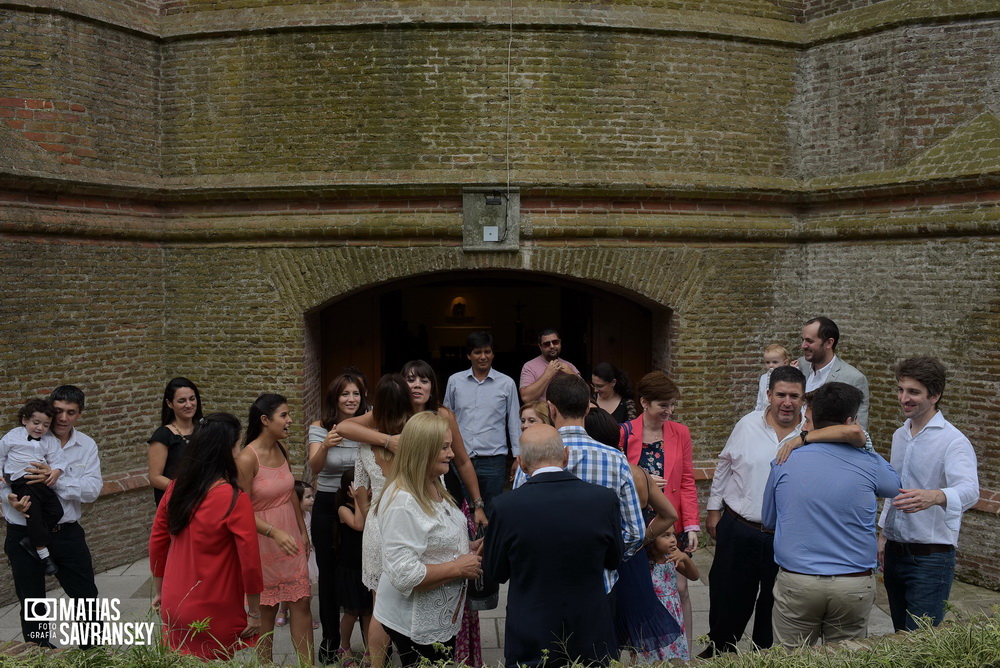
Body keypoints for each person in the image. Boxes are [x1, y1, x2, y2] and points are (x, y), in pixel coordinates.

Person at [762, 383, 900, 648]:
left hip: (798, 581)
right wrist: (864, 444)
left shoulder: (784, 459)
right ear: (849, 422)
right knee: (845, 659)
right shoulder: (868, 461)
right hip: (852, 584)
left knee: (790, 661)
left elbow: (769, 520)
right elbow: (894, 486)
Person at [485, 424, 623, 667]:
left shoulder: (505, 507)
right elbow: (613, 560)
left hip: (531, 627)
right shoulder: (603, 499)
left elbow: (496, 571)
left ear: (522, 463)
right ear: (566, 455)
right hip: (590, 626)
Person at [701, 365, 806, 657]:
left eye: (794, 396)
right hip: (740, 528)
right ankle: (720, 650)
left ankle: (765, 656)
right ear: (769, 394)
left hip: (784, 535)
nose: (787, 402)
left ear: (803, 398)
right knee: (727, 596)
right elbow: (724, 465)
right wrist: (713, 509)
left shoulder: (812, 433)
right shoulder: (747, 424)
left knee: (775, 604)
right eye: (781, 394)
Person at [514, 374, 644, 593]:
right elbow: (634, 532)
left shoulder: (532, 454)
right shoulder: (615, 458)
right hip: (598, 584)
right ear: (587, 409)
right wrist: (606, 558)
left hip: (543, 582)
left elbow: (516, 519)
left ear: (551, 409)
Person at [149, 412, 263, 659]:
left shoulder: (175, 488)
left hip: (174, 601)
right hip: (214, 607)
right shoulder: (234, 498)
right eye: (238, 444)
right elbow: (250, 561)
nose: (239, 450)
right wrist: (254, 611)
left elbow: (157, 541)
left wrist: (159, 590)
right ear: (226, 448)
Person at [373, 411, 483, 667]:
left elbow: (433, 539)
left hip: (438, 617)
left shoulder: (433, 482)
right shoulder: (402, 501)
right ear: (423, 450)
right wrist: (458, 567)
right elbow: (404, 574)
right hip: (414, 623)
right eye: (444, 447)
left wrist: (468, 548)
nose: (452, 453)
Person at [878, 357, 980, 631]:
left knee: (921, 642)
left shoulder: (954, 441)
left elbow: (971, 490)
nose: (903, 398)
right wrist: (883, 535)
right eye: (901, 389)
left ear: (935, 395)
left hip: (931, 559)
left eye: (913, 392)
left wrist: (934, 496)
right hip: (895, 552)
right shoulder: (901, 434)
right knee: (899, 637)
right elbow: (894, 489)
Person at [2, 385, 102, 648]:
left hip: (66, 533)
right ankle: (39, 656)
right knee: (32, 602)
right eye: (58, 411)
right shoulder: (16, 440)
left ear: (79, 415)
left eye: (71, 412)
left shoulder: (86, 445)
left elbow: (92, 490)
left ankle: (95, 655)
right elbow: (3, 478)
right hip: (22, 533)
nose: (63, 418)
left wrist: (54, 481)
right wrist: (9, 499)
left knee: (86, 598)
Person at [618, 371, 699, 650]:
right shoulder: (624, 433)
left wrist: (691, 525)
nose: (670, 410)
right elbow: (618, 477)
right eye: (663, 404)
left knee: (680, 588)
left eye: (672, 404)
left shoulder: (681, 432)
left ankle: (683, 651)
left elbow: (687, 481)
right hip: (638, 522)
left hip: (670, 522)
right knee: (644, 589)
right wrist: (644, 481)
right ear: (644, 403)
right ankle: (644, 651)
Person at [339, 374, 411, 668]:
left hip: (378, 523)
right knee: (412, 599)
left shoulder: (365, 445)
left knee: (379, 604)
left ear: (376, 406)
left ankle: (377, 663)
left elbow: (358, 489)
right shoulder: (416, 439)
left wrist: (369, 517)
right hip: (409, 521)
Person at [236, 394, 313, 666]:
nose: (290, 420)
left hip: (290, 537)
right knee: (266, 609)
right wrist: (274, 533)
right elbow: (240, 512)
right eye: (284, 415)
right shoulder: (247, 458)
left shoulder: (282, 449)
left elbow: (291, 493)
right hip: (262, 541)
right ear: (265, 420)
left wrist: (302, 531)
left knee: (302, 602)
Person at [306, 372, 367, 663]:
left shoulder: (369, 423)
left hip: (361, 501)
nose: (351, 399)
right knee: (328, 574)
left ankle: (374, 641)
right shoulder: (319, 427)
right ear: (335, 398)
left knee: (365, 569)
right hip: (328, 502)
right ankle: (331, 641)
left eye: (356, 393)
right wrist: (327, 445)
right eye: (345, 394)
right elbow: (315, 468)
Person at [444, 331, 521, 512]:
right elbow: (446, 419)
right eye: (477, 352)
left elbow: (514, 423)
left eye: (487, 352)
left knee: (493, 510)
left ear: (493, 354)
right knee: (461, 510)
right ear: (469, 355)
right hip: (460, 457)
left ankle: (490, 542)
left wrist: (518, 455)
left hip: (493, 460)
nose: (483, 357)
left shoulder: (506, 383)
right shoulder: (455, 381)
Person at [1, 399, 65, 575]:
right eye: (36, 423)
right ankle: (44, 554)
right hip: (22, 482)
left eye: (45, 425)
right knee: (34, 515)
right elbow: (0, 456)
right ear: (24, 420)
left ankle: (31, 539)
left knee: (56, 511)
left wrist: (57, 471)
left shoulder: (49, 441)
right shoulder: (12, 437)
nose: (40, 428)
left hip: (41, 482)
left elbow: (58, 458)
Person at [797, 317, 870, 429]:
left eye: (809, 341)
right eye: (803, 340)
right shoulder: (800, 365)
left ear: (829, 343)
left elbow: (859, 429)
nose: (803, 346)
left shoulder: (853, 379)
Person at [641, 528, 700, 662]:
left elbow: (694, 576)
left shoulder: (672, 558)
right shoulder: (645, 564)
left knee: (674, 650)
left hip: (674, 613)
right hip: (655, 615)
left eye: (674, 534)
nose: (673, 539)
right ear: (652, 540)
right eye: (666, 535)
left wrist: (685, 558)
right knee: (655, 653)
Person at [148, 377, 203, 505]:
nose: (189, 405)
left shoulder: (204, 429)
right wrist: (186, 490)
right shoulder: (163, 435)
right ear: (169, 403)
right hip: (177, 503)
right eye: (182, 401)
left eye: (192, 399)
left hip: (204, 501)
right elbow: (155, 477)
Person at [335, 468, 371, 661]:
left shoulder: (369, 504)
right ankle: (345, 647)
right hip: (350, 568)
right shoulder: (343, 509)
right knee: (351, 613)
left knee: (367, 613)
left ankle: (369, 650)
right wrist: (359, 499)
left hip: (366, 566)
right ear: (350, 490)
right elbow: (359, 525)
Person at [276, 480, 320, 630]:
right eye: (308, 497)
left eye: (312, 496)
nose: (312, 500)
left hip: (309, 556)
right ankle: (283, 610)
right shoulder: (289, 518)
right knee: (288, 586)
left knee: (307, 588)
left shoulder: (310, 516)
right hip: (292, 556)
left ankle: (306, 612)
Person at [519, 328, 580, 402]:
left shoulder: (568, 365)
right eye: (546, 344)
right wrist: (548, 374)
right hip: (541, 413)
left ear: (560, 342)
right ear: (540, 347)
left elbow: (585, 393)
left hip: (566, 413)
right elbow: (526, 398)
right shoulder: (529, 366)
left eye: (555, 342)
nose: (552, 346)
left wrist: (571, 373)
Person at [754, 344, 793, 411]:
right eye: (767, 362)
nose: (771, 365)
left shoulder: (789, 377)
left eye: (775, 362)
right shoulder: (764, 378)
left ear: (785, 362)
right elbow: (760, 399)